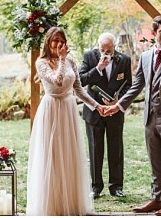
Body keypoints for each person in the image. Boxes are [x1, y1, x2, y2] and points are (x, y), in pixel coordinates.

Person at [105, 16, 161, 217]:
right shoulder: (146, 57)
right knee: (155, 160)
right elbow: (137, 86)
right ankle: (156, 199)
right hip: (150, 116)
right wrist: (119, 105)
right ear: (154, 33)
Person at [26, 27, 108, 216]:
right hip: (52, 109)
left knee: (69, 155)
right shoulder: (41, 62)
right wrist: (62, 60)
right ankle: (53, 205)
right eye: (55, 41)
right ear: (48, 42)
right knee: (52, 157)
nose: (58, 44)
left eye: (61, 41)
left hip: (69, 110)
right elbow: (58, 81)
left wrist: (97, 106)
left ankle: (71, 203)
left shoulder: (71, 60)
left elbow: (78, 89)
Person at [79, 33, 132, 200]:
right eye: (102, 50)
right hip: (94, 112)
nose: (105, 54)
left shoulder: (124, 60)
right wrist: (98, 68)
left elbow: (129, 84)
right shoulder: (89, 56)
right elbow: (81, 80)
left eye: (109, 51)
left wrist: (119, 100)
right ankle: (96, 187)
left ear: (114, 47)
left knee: (116, 149)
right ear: (98, 46)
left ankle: (116, 186)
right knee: (95, 149)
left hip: (114, 111)